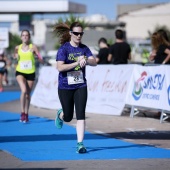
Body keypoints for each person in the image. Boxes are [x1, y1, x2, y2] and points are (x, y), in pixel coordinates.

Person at [54, 22, 97, 153]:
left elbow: (94, 62)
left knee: (81, 115)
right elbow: (59, 67)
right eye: (76, 33)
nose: (79, 36)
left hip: (81, 85)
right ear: (71, 34)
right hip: (65, 86)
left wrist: (86, 60)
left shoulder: (84, 48)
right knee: (68, 117)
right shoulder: (64, 49)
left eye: (81, 34)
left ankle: (80, 144)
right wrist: (76, 63)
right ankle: (60, 114)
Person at [14, 30, 43, 123]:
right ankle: (22, 112)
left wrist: (36, 55)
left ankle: (26, 113)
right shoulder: (17, 48)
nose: (25, 37)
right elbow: (15, 57)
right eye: (23, 35)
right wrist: (15, 57)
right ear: (21, 37)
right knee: (23, 90)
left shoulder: (33, 47)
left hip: (31, 72)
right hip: (20, 72)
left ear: (29, 37)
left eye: (27, 35)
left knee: (28, 95)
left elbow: (40, 58)